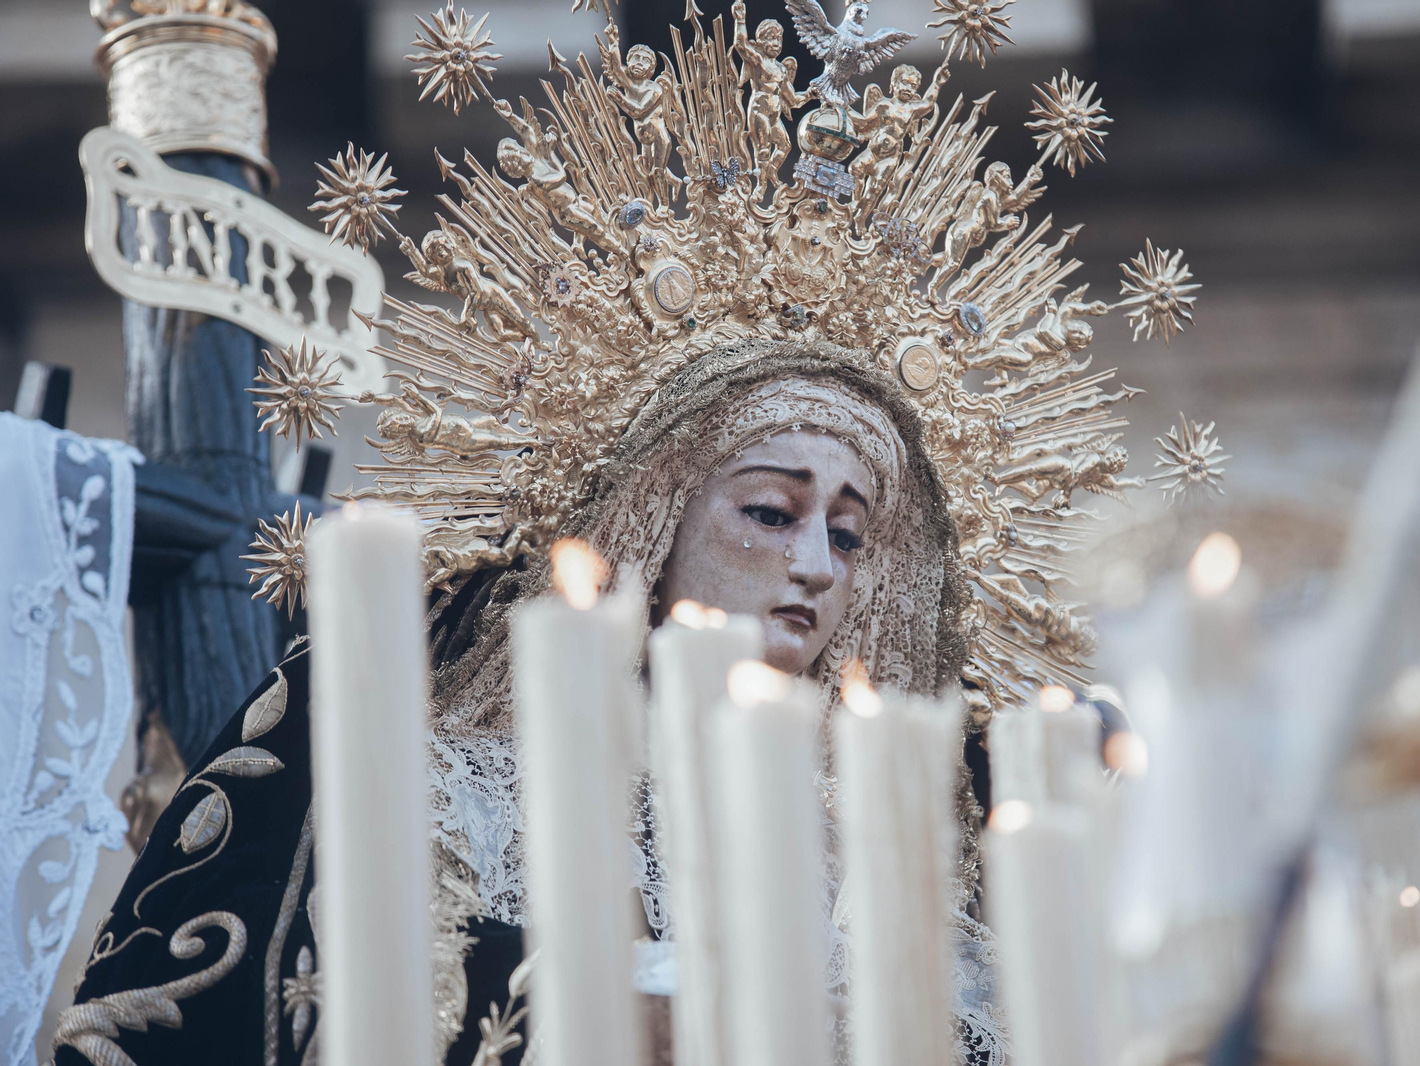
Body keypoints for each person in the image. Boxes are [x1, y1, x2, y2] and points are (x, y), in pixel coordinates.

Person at [53, 341, 995, 1066]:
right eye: (770, 513)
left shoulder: (885, 853)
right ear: (655, 521)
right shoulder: (464, 803)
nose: (817, 567)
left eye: (847, 533)